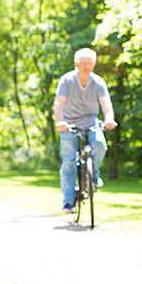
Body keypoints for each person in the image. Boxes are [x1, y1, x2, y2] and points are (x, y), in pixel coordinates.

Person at [54, 48, 117, 214]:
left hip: (90, 121)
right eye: (84, 63)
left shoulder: (98, 82)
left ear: (94, 65)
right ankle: (68, 202)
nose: (87, 66)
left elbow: (106, 103)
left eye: (90, 63)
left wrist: (109, 119)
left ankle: (93, 175)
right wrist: (60, 121)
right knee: (69, 162)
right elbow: (58, 103)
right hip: (68, 123)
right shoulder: (67, 80)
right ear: (76, 64)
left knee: (100, 145)